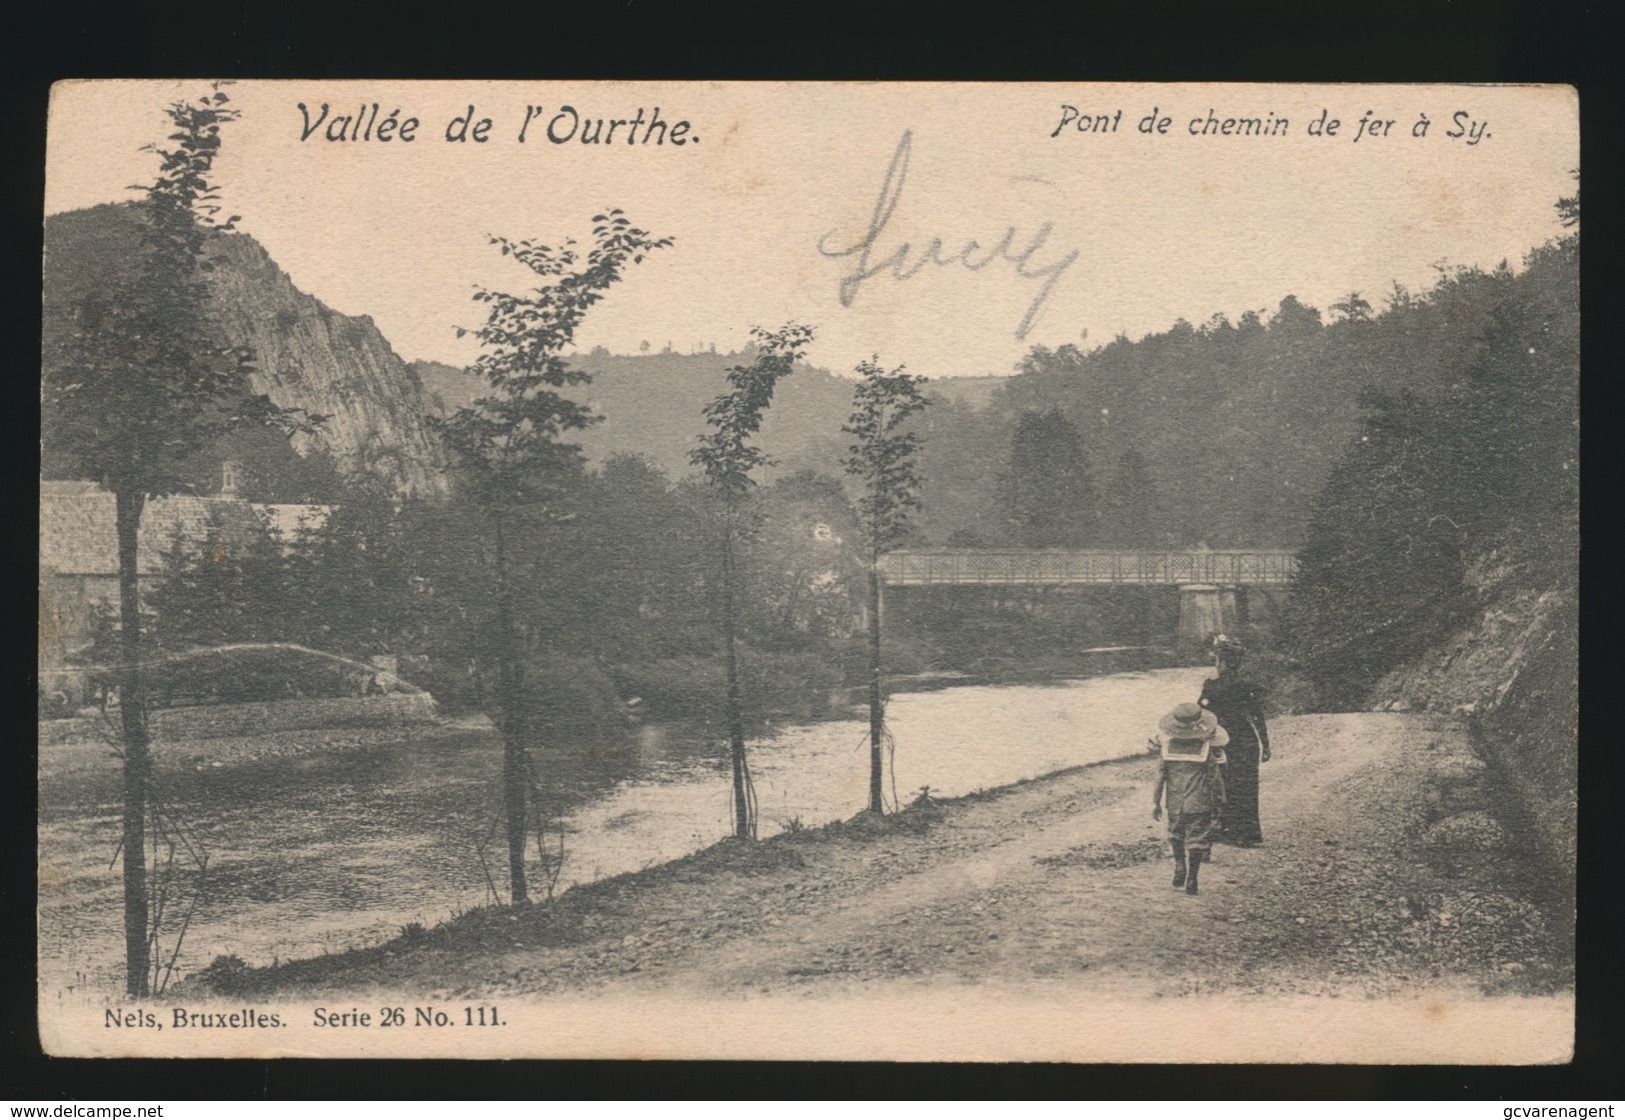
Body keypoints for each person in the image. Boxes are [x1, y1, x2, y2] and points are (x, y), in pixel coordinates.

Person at [1200, 635, 1271, 846]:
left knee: (1224, 784)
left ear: (1221, 662)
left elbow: (1202, 714)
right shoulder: (1247, 685)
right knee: (1247, 785)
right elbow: (1258, 716)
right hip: (1247, 739)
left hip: (1223, 739)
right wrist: (1265, 745)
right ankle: (1250, 833)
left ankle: (1229, 829)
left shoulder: (1211, 687)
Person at [1151, 702, 1228, 895]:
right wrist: (1219, 803)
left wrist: (1156, 802)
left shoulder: (1167, 749)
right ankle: (1192, 878)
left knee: (1176, 834)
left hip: (1174, 803)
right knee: (1197, 840)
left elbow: (1160, 777)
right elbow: (1215, 780)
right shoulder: (1205, 750)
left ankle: (1179, 866)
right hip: (1200, 802)